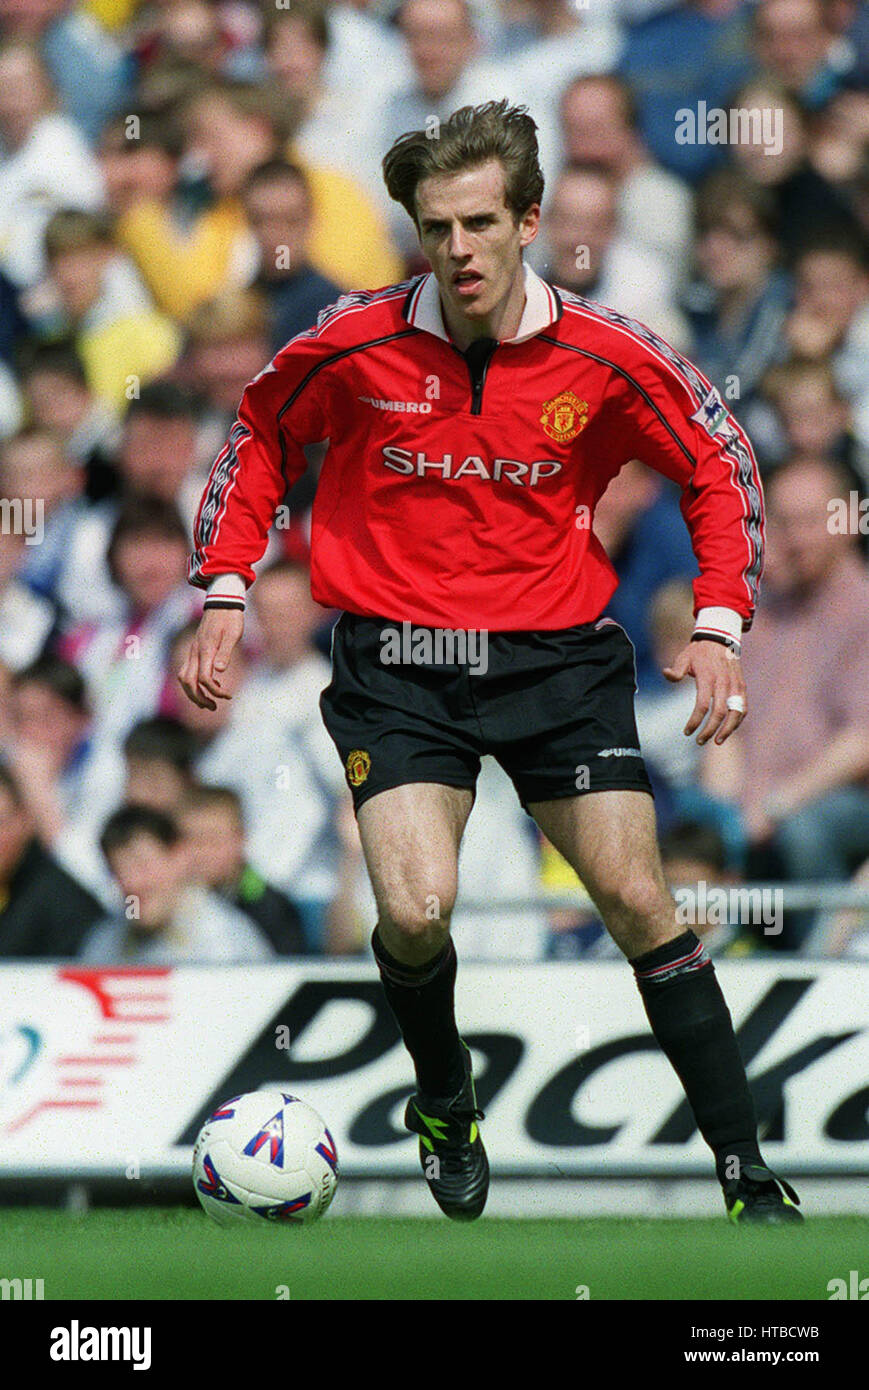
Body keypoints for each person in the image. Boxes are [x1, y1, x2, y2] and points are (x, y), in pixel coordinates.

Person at [179, 100, 800, 1227]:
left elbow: (719, 457)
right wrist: (225, 587)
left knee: (633, 895)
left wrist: (716, 619)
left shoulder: (605, 355)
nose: (456, 249)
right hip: (399, 664)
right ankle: (444, 1097)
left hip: (555, 660)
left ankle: (745, 1174)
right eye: (433, 228)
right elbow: (258, 431)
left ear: (526, 220)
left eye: (476, 223)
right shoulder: (356, 341)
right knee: (416, 911)